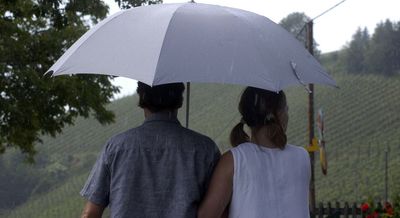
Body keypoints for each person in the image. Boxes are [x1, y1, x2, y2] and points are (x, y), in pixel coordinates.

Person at [80, 82, 221, 218]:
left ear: (142, 97)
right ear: (180, 100)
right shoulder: (206, 149)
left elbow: (90, 214)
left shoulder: (116, 147)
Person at [198, 87, 311, 218]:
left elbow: (206, 215)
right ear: (278, 114)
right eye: (286, 109)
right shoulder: (302, 157)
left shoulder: (234, 160)